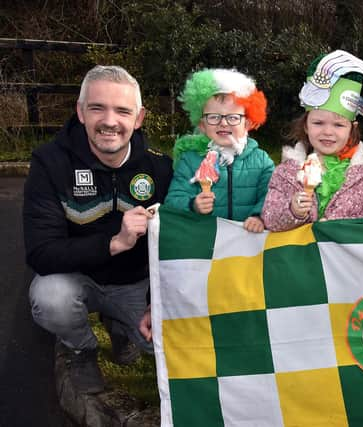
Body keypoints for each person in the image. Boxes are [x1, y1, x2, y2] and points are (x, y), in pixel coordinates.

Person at [22, 65, 173, 395]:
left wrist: (156, 302)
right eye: (97, 108)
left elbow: (175, 249)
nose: (109, 121)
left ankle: (119, 327)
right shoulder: (50, 163)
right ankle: (81, 349)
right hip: (79, 279)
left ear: (139, 117)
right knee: (51, 298)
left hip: (136, 284)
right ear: (80, 112)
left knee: (166, 347)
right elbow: (41, 253)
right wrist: (114, 243)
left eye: (122, 110)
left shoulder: (160, 168)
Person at [261, 50, 363, 231]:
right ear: (306, 126)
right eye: (318, 123)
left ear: (352, 128)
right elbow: (270, 219)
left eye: (338, 125)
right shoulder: (286, 174)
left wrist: (342, 229)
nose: (328, 132)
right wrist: (293, 211)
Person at [164, 68, 274, 233]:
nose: (223, 123)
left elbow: (272, 196)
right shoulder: (190, 160)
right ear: (202, 124)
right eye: (214, 117)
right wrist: (193, 204)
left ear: (248, 124)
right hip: (204, 244)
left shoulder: (262, 161)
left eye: (233, 117)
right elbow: (173, 200)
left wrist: (259, 216)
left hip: (248, 247)